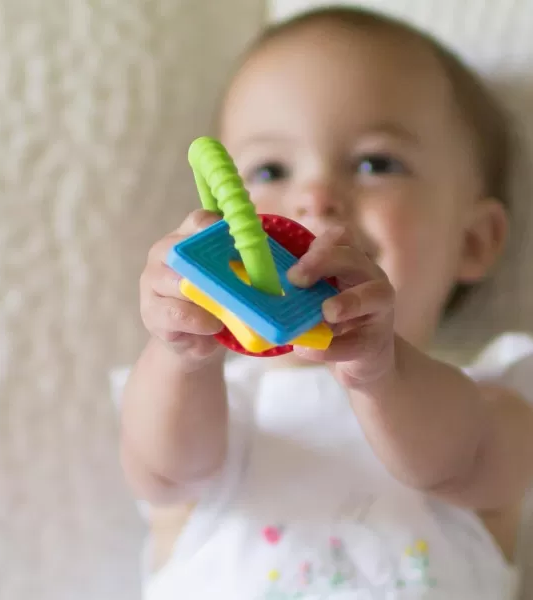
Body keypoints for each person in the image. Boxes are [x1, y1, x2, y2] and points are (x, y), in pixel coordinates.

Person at [116, 7, 533, 599]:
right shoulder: (217, 409)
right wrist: (181, 355)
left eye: (375, 163)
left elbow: (454, 460)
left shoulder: (490, 406)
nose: (314, 197)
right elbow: (163, 473)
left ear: (472, 240)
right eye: (270, 168)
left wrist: (380, 371)